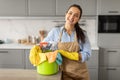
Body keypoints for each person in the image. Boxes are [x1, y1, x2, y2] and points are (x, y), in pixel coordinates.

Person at [41, 4, 91, 80]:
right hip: (63, 73)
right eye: (70, 13)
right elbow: (43, 46)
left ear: (78, 19)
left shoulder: (82, 34)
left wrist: (69, 55)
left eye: (76, 15)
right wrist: (54, 48)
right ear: (66, 14)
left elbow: (87, 54)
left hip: (81, 74)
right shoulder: (55, 32)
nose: (72, 17)